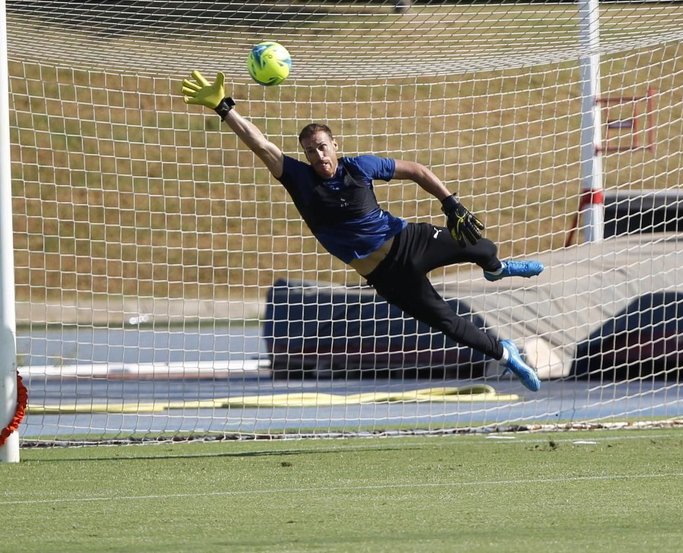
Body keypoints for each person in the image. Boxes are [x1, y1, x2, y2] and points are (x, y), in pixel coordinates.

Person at [180, 69, 544, 390]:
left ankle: (495, 270)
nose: (318, 156)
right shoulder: (299, 179)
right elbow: (261, 144)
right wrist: (223, 107)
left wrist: (451, 204)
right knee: (447, 322)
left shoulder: (360, 167)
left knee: (480, 246)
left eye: (322, 147)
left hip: (408, 241)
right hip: (386, 276)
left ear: (334, 145)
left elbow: (416, 169)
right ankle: (507, 354)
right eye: (310, 151)